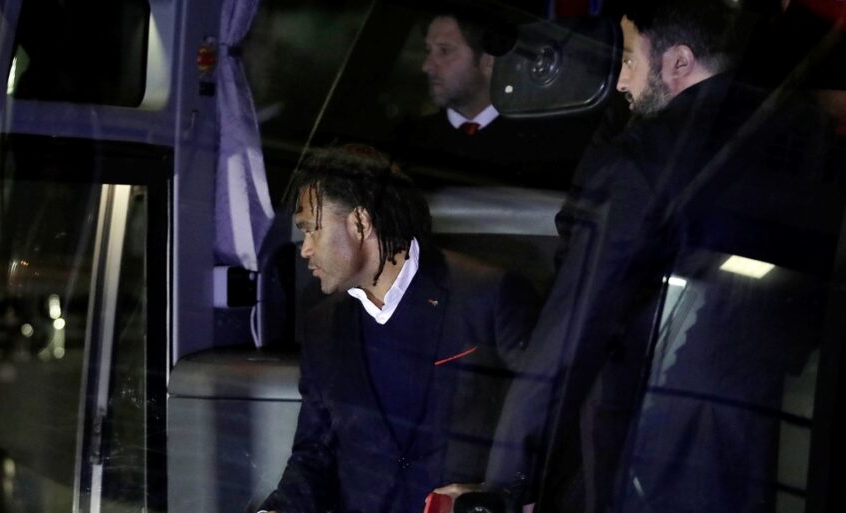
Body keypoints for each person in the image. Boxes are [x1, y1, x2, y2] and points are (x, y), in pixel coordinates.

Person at [477, 1, 841, 512]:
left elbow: (572, 331)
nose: (621, 81)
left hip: (645, 442)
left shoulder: (645, 159)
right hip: (751, 438)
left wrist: (509, 482)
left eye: (629, 59)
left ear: (679, 62)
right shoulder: (804, 139)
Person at [258, 144, 539, 513]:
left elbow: (548, 420)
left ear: (360, 223)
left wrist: (496, 497)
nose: (305, 249)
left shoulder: (485, 295)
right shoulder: (322, 325)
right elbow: (315, 453)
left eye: (312, 230)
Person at [397, 9, 600, 190]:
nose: (427, 66)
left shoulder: (543, 145)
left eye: (444, 50)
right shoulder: (408, 139)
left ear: (488, 60)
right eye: (428, 51)